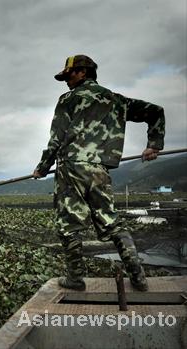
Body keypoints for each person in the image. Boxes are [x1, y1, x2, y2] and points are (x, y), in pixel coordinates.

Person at [33, 55, 165, 291]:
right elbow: (155, 111)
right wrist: (154, 144)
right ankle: (139, 276)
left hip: (71, 167)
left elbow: (56, 138)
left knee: (69, 225)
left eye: (69, 74)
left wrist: (42, 167)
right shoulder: (116, 100)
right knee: (112, 223)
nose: (66, 80)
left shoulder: (68, 99)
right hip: (99, 169)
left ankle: (75, 279)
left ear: (83, 72)